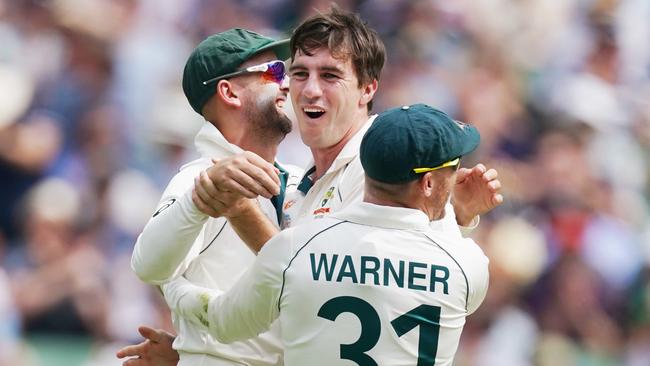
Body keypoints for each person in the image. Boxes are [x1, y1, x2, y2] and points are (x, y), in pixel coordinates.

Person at [118, 7, 502, 366]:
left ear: (368, 89)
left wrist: (194, 334)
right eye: (296, 73)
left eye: (330, 76)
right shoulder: (296, 178)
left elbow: (304, 281)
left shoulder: (374, 176)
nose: (305, 90)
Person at [163, 103, 490, 366]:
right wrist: (457, 212)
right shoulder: (468, 265)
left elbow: (225, 323)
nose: (457, 174)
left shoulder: (295, 247)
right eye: (453, 166)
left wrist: (175, 288)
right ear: (429, 183)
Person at [128, 28, 301, 366]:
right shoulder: (197, 178)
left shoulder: (300, 178)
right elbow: (148, 266)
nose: (286, 83)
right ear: (229, 92)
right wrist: (199, 199)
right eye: (273, 71)